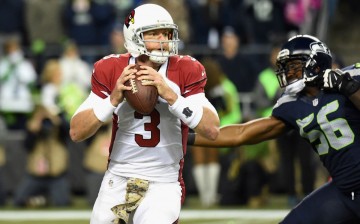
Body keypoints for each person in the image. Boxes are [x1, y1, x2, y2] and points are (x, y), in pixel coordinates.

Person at [69, 3, 220, 224]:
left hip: (164, 181)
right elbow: (76, 131)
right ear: (134, 37)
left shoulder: (186, 68)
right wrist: (113, 100)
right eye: (154, 34)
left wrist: (172, 96)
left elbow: (212, 129)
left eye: (166, 33)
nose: (163, 40)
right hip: (118, 177)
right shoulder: (111, 68)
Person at [190, 34, 360, 224]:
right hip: (344, 189)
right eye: (285, 67)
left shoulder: (351, 78)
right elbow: (241, 133)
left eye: (293, 66)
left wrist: (350, 88)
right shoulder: (291, 104)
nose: (287, 73)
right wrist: (186, 137)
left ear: (316, 64)